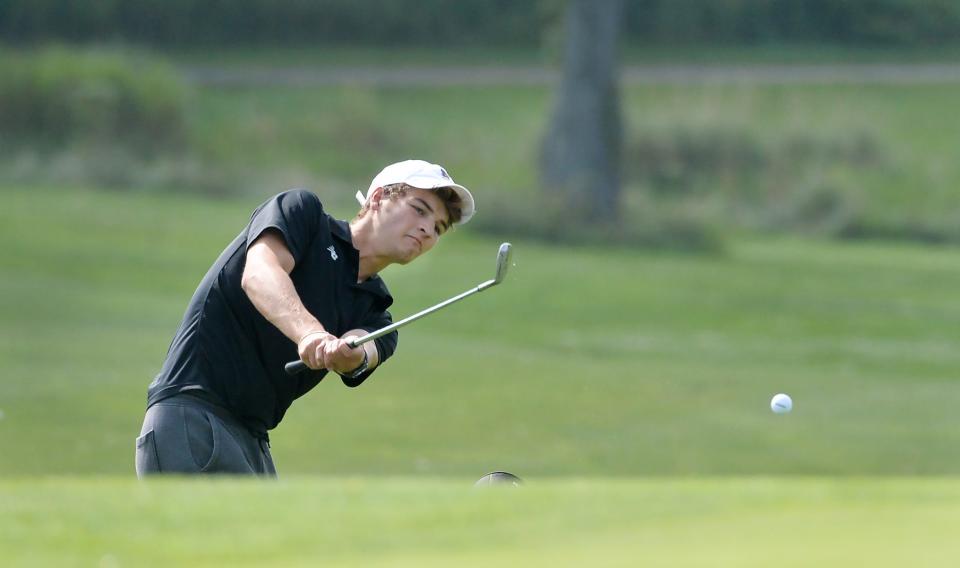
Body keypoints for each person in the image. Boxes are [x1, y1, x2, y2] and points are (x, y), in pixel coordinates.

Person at [135, 160, 475, 476]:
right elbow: (259, 273)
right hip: (192, 414)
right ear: (377, 198)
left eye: (439, 227)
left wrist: (348, 355)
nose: (428, 230)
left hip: (252, 440)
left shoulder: (377, 313)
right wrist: (311, 334)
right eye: (420, 210)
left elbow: (363, 355)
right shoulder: (304, 216)